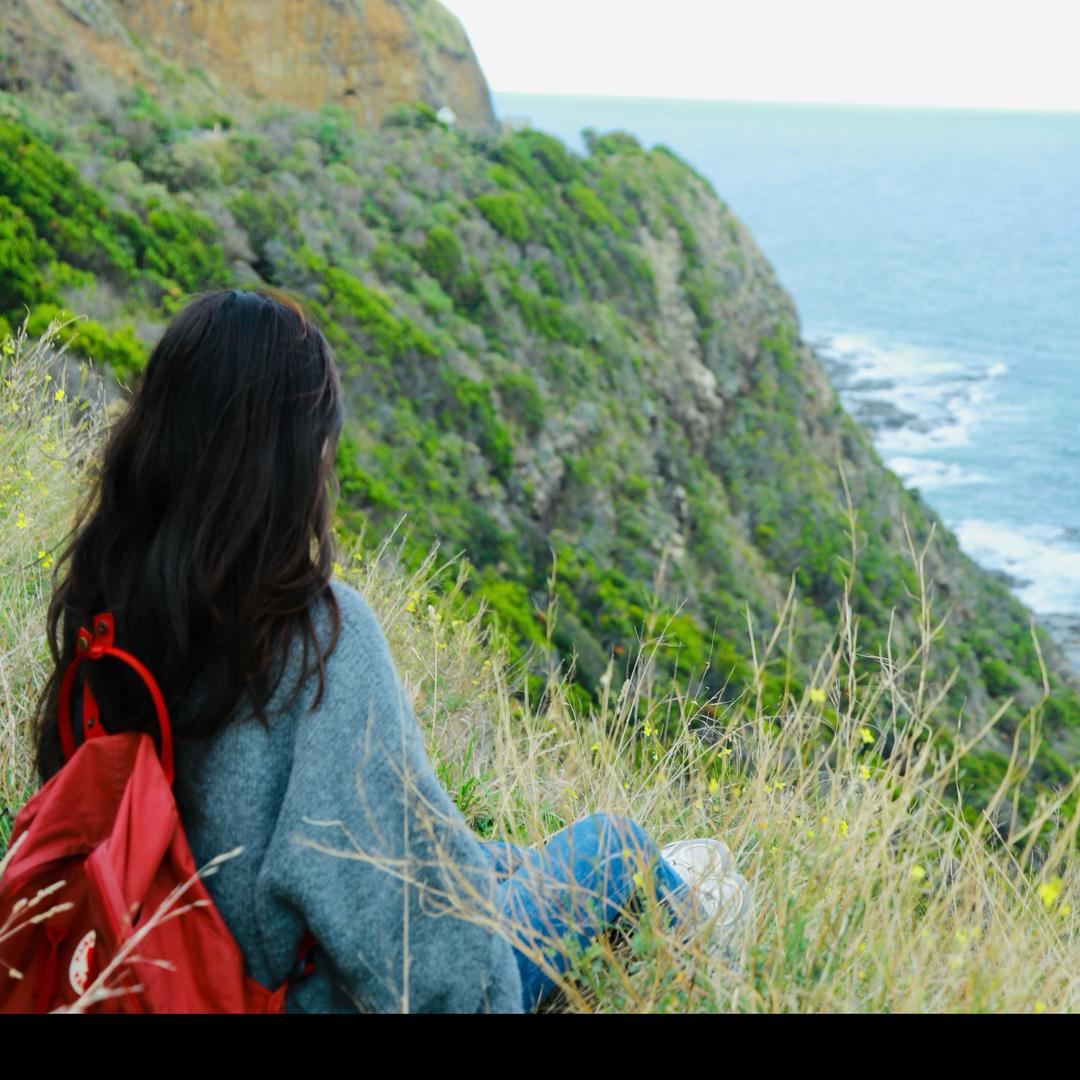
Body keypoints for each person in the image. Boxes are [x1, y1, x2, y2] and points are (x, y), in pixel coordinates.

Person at [31, 289, 751, 1013]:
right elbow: (412, 947)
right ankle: (703, 961)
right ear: (290, 462)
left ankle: (668, 909)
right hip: (295, 996)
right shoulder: (313, 636)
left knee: (497, 860)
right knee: (618, 847)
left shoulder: (108, 610)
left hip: (170, 966)